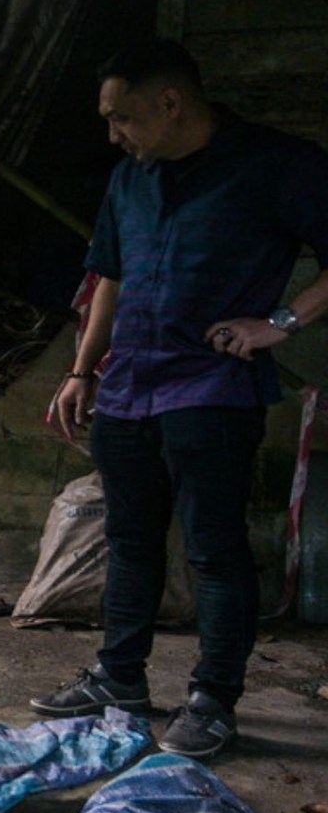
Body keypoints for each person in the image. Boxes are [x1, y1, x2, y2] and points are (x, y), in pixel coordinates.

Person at [34, 39, 328, 756]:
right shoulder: (131, 178)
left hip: (211, 388)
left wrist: (280, 324)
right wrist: (81, 371)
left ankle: (213, 700)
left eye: (123, 117)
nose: (113, 135)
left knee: (214, 552)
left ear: (170, 102)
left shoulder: (278, 165)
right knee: (130, 541)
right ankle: (119, 678)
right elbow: (111, 276)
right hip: (130, 385)